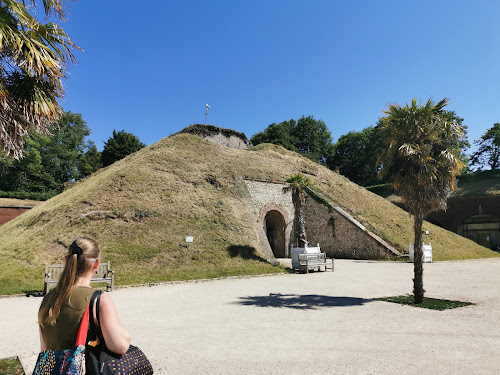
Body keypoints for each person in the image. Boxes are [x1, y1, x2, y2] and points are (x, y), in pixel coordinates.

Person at [38, 237, 131, 355]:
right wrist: (127, 336)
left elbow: (44, 348)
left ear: (67, 260)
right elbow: (120, 346)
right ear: (96, 264)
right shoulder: (99, 300)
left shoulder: (48, 298)